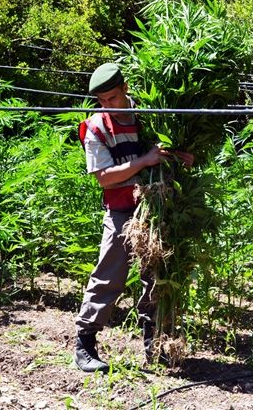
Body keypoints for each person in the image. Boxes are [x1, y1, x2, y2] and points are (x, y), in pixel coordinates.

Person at [74, 63, 193, 373]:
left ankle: (156, 348)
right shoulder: (96, 127)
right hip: (122, 211)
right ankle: (84, 345)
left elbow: (167, 150)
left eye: (112, 98)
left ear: (125, 88)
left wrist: (182, 155)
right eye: (102, 100)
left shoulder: (151, 114)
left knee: (157, 278)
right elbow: (104, 178)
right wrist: (143, 161)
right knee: (108, 273)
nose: (107, 106)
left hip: (157, 209)